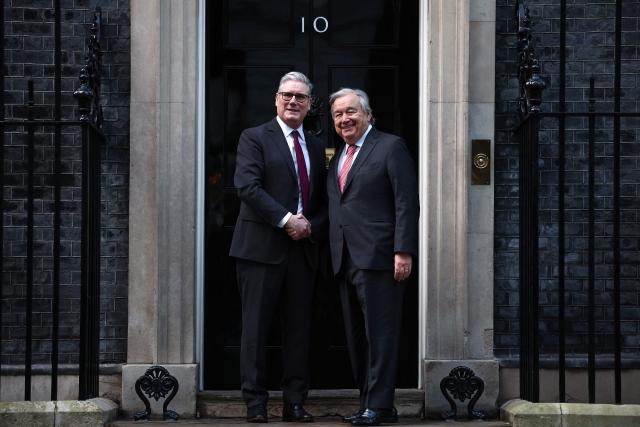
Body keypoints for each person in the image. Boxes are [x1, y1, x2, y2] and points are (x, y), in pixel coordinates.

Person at [230, 71, 327, 423]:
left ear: (309, 104)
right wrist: (288, 220)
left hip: (303, 251)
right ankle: (255, 405)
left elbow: (324, 198)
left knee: (299, 331)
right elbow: (247, 187)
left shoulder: (316, 145)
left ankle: (294, 402)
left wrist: (311, 225)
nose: (293, 101)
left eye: (301, 97)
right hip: (259, 249)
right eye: (287, 95)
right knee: (255, 330)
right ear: (276, 99)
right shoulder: (254, 137)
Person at [326, 88, 419, 426]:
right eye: (338, 115)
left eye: (350, 112)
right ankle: (370, 402)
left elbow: (406, 202)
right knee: (357, 339)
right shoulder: (339, 156)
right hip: (345, 259)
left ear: (367, 114)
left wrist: (403, 250)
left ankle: (379, 406)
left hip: (381, 257)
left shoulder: (390, 146)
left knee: (380, 335)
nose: (344, 119)